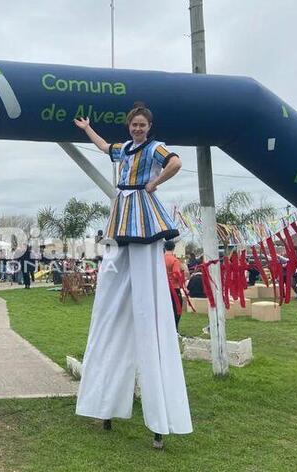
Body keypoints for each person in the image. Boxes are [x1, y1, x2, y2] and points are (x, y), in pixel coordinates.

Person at [73, 102, 192, 449]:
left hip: (140, 209)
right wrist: (87, 129)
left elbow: (176, 162)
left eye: (142, 124)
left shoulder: (154, 147)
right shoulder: (124, 148)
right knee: (113, 284)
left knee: (144, 292)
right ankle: (105, 404)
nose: (138, 128)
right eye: (134, 124)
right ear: (130, 127)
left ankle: (154, 417)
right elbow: (102, 147)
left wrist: (155, 183)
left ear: (148, 126)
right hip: (122, 213)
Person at [164, 240, 184, 330]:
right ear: (173, 248)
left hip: (163, 287)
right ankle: (174, 328)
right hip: (174, 288)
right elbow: (176, 274)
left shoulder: (160, 259)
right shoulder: (175, 260)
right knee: (177, 309)